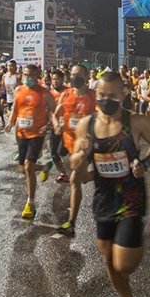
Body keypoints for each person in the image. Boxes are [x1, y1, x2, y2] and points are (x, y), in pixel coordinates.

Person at [70, 70, 150, 297]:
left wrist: (145, 163)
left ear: (123, 94)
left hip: (132, 198)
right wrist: (82, 154)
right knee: (108, 258)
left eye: (112, 96)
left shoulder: (136, 121)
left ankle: (142, 226)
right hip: (103, 199)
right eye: (101, 95)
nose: (105, 100)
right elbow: (77, 166)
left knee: (124, 265)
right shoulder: (86, 125)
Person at [6, 64, 55, 220]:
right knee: (23, 168)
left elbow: (55, 111)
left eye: (31, 75)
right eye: (25, 75)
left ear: (38, 76)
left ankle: (30, 203)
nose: (28, 78)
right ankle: (43, 167)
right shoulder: (19, 90)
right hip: (21, 133)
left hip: (37, 133)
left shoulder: (45, 93)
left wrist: (49, 125)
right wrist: (10, 122)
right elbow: (15, 108)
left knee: (28, 167)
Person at [54, 63, 96, 235]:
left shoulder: (93, 96)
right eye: (72, 74)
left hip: (86, 147)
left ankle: (71, 223)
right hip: (70, 144)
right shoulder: (66, 95)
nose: (74, 77)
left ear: (86, 77)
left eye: (78, 75)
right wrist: (56, 125)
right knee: (83, 178)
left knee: (74, 180)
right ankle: (103, 174)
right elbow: (56, 114)